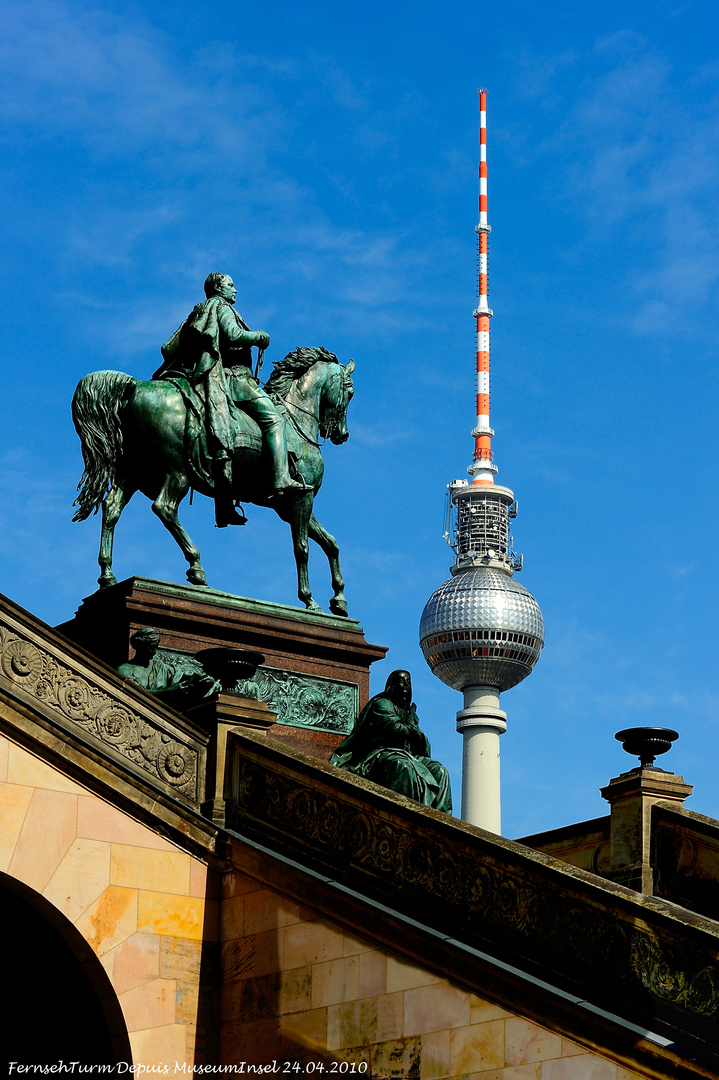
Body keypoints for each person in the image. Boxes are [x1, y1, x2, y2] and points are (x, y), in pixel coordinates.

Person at [154, 272, 307, 527]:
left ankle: (224, 505)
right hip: (235, 380)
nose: (235, 290)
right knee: (274, 420)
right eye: (231, 285)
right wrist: (259, 336)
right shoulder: (221, 307)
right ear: (218, 288)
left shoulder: (199, 311)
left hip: (219, 379)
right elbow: (233, 335)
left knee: (223, 437)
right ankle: (281, 478)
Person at [330, 670, 452, 814]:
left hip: (408, 755)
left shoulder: (409, 712)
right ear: (392, 684)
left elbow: (421, 741)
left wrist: (414, 732)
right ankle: (407, 817)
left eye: (408, 681)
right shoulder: (382, 704)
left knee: (441, 771)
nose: (406, 684)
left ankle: (438, 821)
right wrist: (411, 730)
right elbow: (394, 728)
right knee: (404, 766)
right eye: (402, 680)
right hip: (380, 755)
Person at [117, 628, 215, 710]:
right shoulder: (124, 670)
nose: (154, 652)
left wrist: (204, 681)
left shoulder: (161, 667)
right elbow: (135, 694)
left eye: (156, 647)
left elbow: (181, 678)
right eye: (151, 647)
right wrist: (169, 691)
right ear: (140, 646)